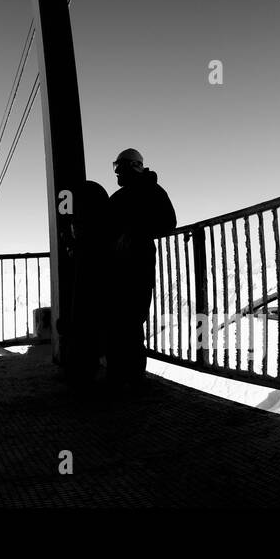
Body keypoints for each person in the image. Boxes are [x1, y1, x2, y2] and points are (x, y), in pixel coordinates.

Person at [107, 148, 176, 386]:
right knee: (121, 320)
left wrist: (134, 233)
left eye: (120, 167)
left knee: (130, 320)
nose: (117, 172)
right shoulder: (120, 197)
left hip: (136, 264)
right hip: (123, 265)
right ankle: (121, 375)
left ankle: (131, 377)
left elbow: (168, 223)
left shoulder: (151, 191)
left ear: (132, 166)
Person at [64, 179, 113, 385]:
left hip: (86, 274)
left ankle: (86, 368)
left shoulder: (84, 244)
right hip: (99, 276)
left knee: (84, 318)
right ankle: (97, 367)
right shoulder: (104, 234)